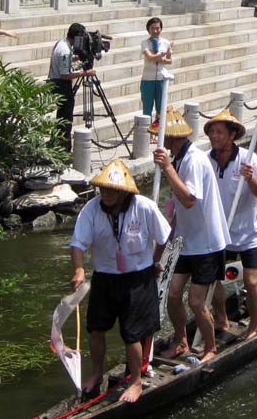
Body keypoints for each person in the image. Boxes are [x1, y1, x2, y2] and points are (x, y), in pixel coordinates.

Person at [70, 159, 171, 403]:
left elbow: (163, 236)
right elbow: (78, 243)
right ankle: (96, 373)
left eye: (111, 190)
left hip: (137, 278)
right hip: (105, 277)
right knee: (96, 328)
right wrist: (80, 269)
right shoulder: (92, 209)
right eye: (103, 189)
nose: (106, 194)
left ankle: (136, 380)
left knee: (132, 333)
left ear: (123, 191)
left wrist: (154, 260)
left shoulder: (144, 207)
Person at [154, 106, 229, 363]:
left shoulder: (194, 160)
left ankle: (210, 347)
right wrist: (159, 250)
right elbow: (175, 212)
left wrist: (167, 170)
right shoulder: (178, 161)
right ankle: (182, 340)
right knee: (173, 295)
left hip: (208, 244)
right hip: (187, 242)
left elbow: (188, 199)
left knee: (196, 301)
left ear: (171, 138)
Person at [204, 110, 257, 341]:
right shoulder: (206, 160)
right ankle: (222, 318)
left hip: (250, 231)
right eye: (211, 132)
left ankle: (253, 326)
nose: (214, 136)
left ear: (232, 135)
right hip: (221, 230)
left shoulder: (248, 159)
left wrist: (251, 179)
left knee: (251, 281)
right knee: (212, 278)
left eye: (219, 132)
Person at [48, 23, 96, 151]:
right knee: (65, 119)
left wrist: (73, 59)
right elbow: (65, 75)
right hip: (61, 86)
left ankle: (60, 147)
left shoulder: (62, 43)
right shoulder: (65, 50)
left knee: (62, 117)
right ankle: (64, 149)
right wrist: (86, 73)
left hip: (56, 82)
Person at [140, 17, 173, 123]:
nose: (155, 31)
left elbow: (169, 60)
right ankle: (147, 133)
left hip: (161, 78)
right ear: (148, 29)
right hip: (147, 79)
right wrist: (161, 56)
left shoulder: (165, 43)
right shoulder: (145, 43)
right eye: (152, 28)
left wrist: (162, 58)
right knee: (147, 108)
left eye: (158, 28)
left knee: (161, 108)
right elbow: (150, 57)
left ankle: (158, 133)